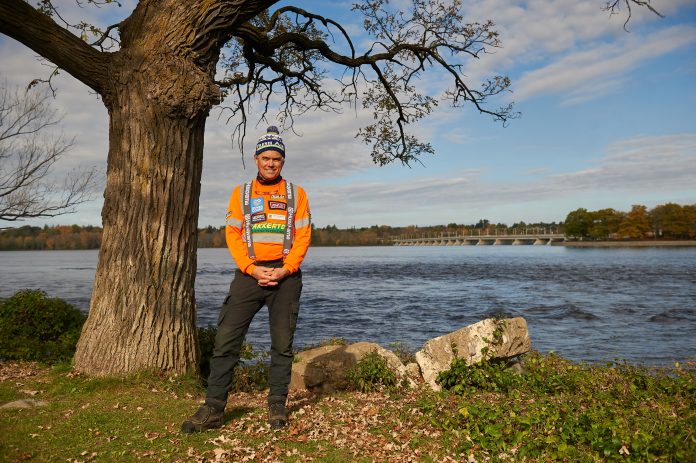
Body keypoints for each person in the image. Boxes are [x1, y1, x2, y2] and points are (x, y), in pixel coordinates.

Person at [182, 126, 311, 433]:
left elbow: (304, 235)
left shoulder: (297, 194)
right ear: (256, 159)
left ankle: (277, 404)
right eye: (265, 158)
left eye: (276, 159)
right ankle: (213, 407)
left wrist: (286, 268)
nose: (270, 163)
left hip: (286, 275)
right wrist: (251, 268)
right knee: (226, 340)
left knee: (282, 344)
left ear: (282, 161)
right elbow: (233, 235)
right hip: (248, 274)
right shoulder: (240, 194)